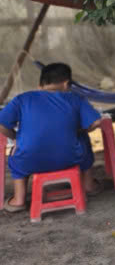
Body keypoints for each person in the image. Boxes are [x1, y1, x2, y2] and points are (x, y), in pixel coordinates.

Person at [0, 63, 103, 212]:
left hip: (30, 161)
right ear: (67, 83)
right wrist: (79, 130)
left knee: (17, 155)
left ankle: (18, 200)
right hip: (69, 158)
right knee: (83, 139)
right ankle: (89, 185)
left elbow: (2, 124)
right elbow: (96, 121)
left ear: (40, 85)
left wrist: (16, 138)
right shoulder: (75, 98)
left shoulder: (22, 99)